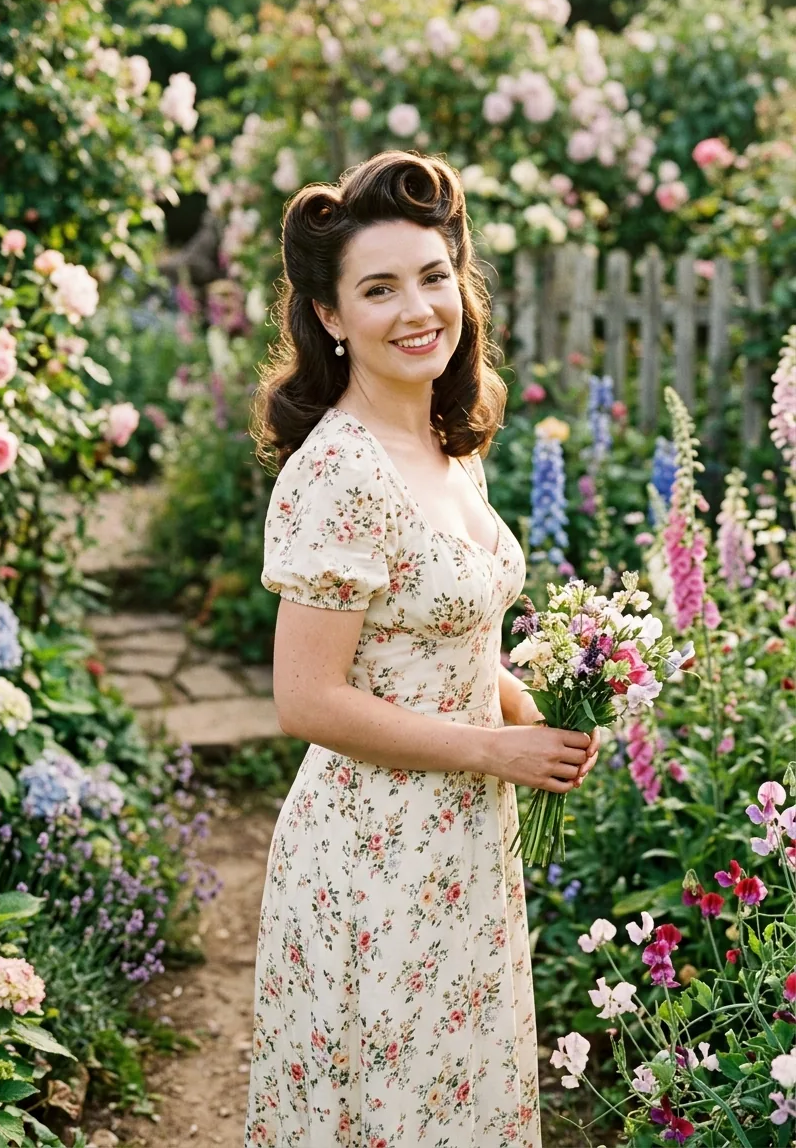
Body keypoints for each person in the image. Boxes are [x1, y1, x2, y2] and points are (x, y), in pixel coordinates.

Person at [244, 149, 600, 1147]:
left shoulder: (451, 443)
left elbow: (441, 634)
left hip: (463, 844)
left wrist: (534, 708)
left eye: (432, 276)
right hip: (370, 858)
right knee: (390, 1112)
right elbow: (308, 699)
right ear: (329, 315)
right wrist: (493, 749)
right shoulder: (337, 476)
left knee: (459, 1100)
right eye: (378, 288)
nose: (416, 309)